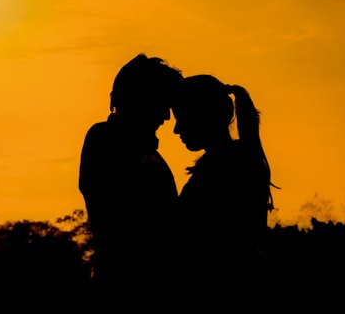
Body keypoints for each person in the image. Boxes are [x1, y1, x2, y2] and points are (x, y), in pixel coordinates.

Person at [79, 54, 183, 294]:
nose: (166, 117)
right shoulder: (104, 140)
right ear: (139, 101)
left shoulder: (151, 156)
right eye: (161, 105)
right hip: (128, 285)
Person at [172, 74, 274, 293]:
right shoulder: (240, 162)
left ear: (203, 116)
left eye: (182, 118)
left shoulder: (221, 172)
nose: (176, 129)